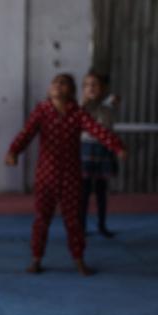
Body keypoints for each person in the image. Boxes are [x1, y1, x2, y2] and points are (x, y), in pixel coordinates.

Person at [5, 74, 126, 275]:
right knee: (42, 218)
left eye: (64, 83)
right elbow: (26, 133)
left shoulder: (77, 113)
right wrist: (13, 151)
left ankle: (79, 259)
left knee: (74, 220)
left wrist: (117, 146)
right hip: (46, 176)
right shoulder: (42, 111)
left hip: (71, 176)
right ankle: (36, 258)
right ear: (49, 89)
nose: (58, 86)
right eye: (55, 82)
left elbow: (97, 130)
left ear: (71, 91)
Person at [80, 71, 119, 237]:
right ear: (83, 89)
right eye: (87, 85)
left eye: (95, 84)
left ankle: (102, 225)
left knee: (102, 191)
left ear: (103, 89)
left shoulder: (107, 107)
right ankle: (81, 227)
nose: (91, 88)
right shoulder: (79, 107)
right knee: (84, 191)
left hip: (104, 150)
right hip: (85, 150)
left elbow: (113, 101)